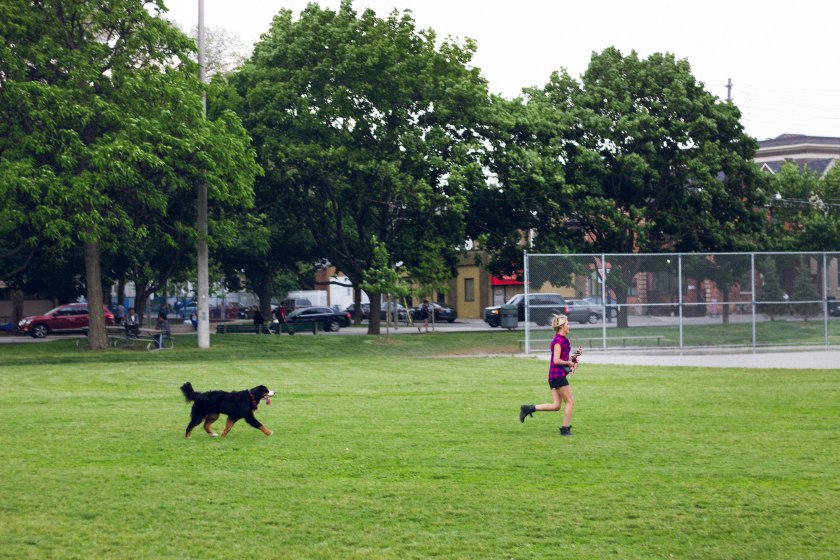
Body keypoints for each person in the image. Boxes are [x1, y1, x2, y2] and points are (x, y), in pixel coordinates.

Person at [519, 314, 582, 436]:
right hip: (557, 376)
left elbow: (564, 359)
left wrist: (574, 357)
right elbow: (556, 361)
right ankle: (565, 429)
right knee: (570, 402)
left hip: (555, 376)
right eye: (567, 324)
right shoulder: (557, 341)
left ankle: (528, 408)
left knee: (556, 406)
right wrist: (569, 362)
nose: (569, 326)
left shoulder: (563, 340)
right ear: (562, 326)